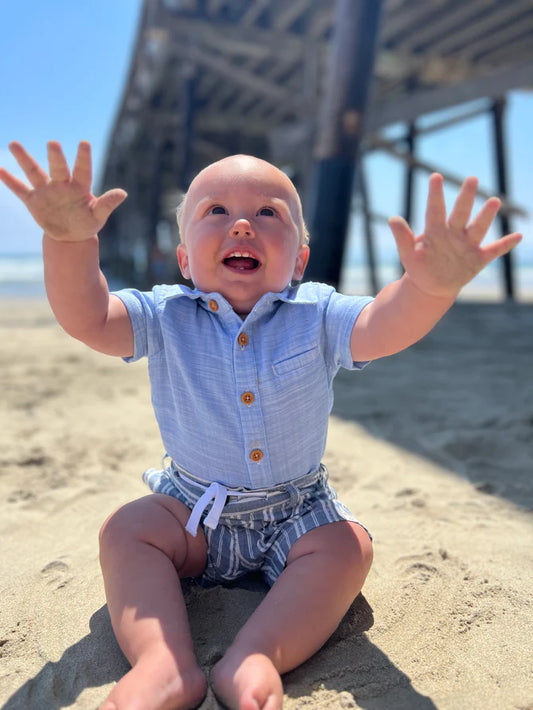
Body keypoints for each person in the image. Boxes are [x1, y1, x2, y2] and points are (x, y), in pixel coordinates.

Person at [0, 140, 522, 710]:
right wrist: (69, 242)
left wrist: (428, 287)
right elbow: (89, 318)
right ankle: (164, 665)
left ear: (298, 259)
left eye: (268, 213)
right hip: (193, 507)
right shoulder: (166, 312)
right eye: (216, 212)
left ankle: (255, 657)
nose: (243, 225)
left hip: (296, 512)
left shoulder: (318, 312)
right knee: (125, 531)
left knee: (348, 548)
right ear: (184, 260)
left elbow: (383, 324)